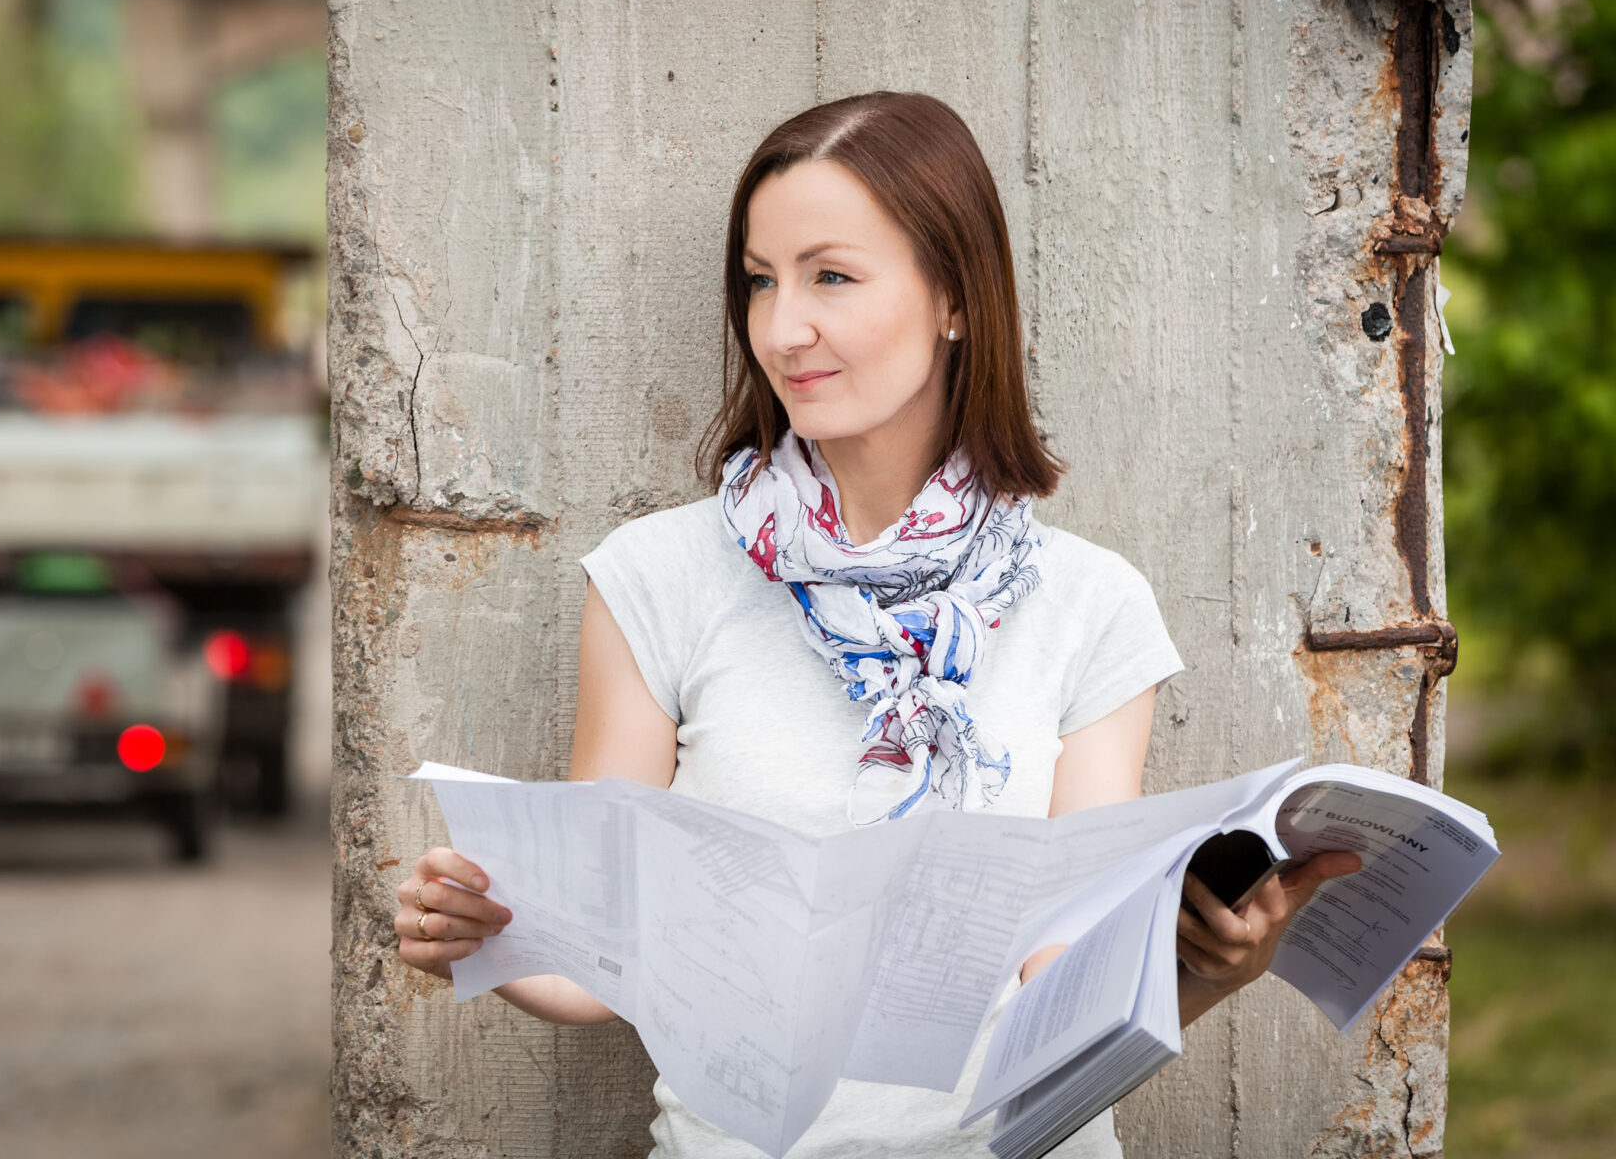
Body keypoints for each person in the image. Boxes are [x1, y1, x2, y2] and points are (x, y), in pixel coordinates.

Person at [389, 91, 1362, 1157]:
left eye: (831, 276)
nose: (781, 325)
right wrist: (484, 931)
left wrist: (1211, 965)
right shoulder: (658, 577)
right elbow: (607, 954)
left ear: (954, 298)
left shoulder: (1091, 605)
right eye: (761, 280)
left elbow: (1064, 979)